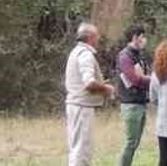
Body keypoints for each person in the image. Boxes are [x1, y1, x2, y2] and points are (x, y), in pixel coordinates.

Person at [63, 22, 114, 166]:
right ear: (91, 37)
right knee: (82, 149)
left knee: (75, 148)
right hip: (82, 107)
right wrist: (106, 89)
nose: (98, 39)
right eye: (97, 35)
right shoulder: (86, 54)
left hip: (75, 104)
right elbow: (89, 83)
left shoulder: (75, 52)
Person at [116, 25, 153, 166]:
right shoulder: (125, 56)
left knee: (136, 142)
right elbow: (135, 79)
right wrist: (155, 80)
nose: (145, 40)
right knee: (131, 141)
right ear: (135, 38)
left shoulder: (139, 56)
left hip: (141, 102)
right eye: (142, 36)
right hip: (131, 104)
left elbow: (142, 77)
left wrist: (147, 79)